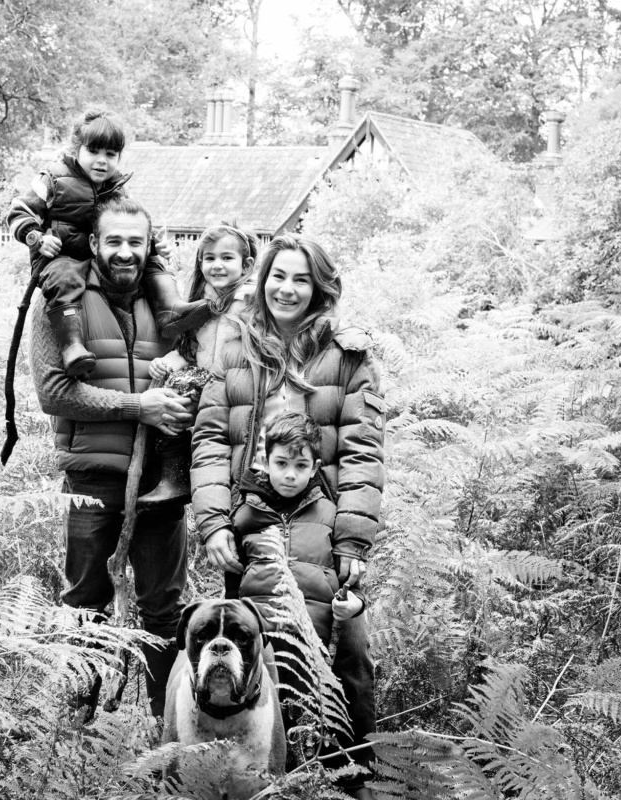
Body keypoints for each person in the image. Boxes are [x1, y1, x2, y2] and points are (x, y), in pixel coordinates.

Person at [191, 233, 386, 800]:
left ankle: (349, 779)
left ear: (320, 288)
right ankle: (256, 778)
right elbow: (208, 439)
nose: (288, 288)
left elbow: (362, 454)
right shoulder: (233, 349)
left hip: (322, 527)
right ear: (262, 278)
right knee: (257, 655)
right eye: (279, 275)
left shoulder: (348, 357)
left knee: (344, 655)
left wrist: (351, 541)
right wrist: (213, 523)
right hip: (249, 526)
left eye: (302, 278)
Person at [27, 195, 195, 718]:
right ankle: (80, 727)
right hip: (91, 482)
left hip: (161, 482)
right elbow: (53, 393)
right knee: (85, 606)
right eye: (115, 241)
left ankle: (164, 729)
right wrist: (137, 406)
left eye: (135, 242)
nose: (126, 252)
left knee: (163, 612)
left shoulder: (165, 306)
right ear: (95, 243)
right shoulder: (60, 303)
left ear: (150, 247)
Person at [9, 109, 209, 377]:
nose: (102, 161)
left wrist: (152, 245)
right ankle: (72, 346)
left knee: (150, 263)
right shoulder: (53, 179)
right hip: (61, 256)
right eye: (94, 152)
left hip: (101, 257)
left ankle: (170, 310)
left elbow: (128, 223)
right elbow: (19, 210)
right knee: (64, 280)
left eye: (111, 155)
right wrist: (36, 237)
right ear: (77, 149)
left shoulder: (115, 187)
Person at [138, 223, 261, 506]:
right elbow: (192, 350)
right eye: (209, 258)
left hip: (239, 381)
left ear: (247, 265)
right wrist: (168, 362)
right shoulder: (200, 302)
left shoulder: (253, 301)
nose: (217, 265)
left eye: (227, 258)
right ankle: (175, 474)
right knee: (172, 399)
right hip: (207, 379)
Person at [234, 412, 366, 643]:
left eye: (301, 465)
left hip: (314, 643)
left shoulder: (331, 515)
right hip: (259, 645)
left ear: (314, 468)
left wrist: (356, 603)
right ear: (265, 463)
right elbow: (232, 587)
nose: (290, 475)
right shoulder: (246, 516)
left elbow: (351, 580)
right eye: (281, 463)